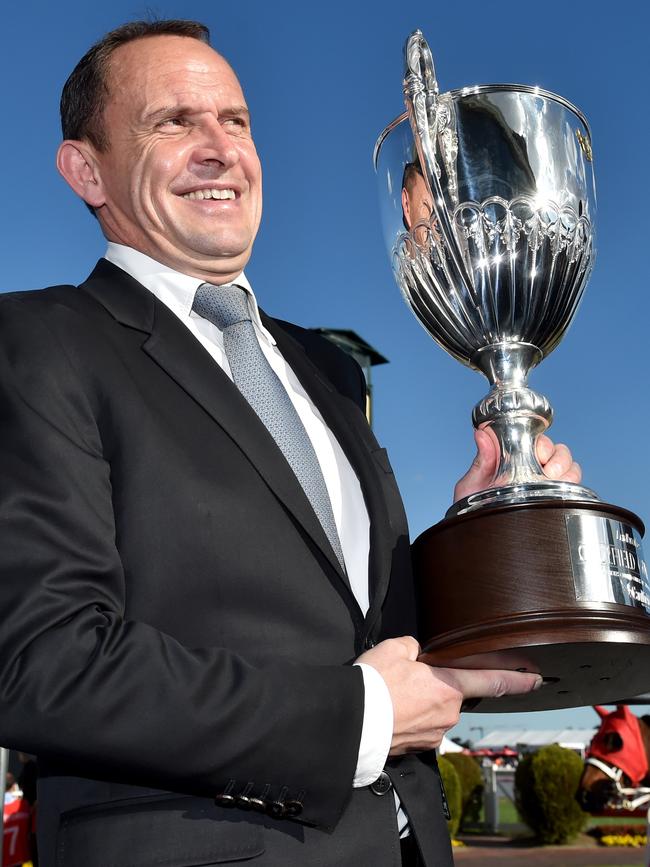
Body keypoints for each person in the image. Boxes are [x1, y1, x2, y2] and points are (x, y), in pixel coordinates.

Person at [0, 19, 581, 867]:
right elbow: (40, 659)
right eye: (174, 122)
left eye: (236, 121)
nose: (219, 149)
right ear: (86, 169)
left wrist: (486, 535)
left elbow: (357, 629)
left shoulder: (325, 369)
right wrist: (359, 719)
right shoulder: (39, 343)